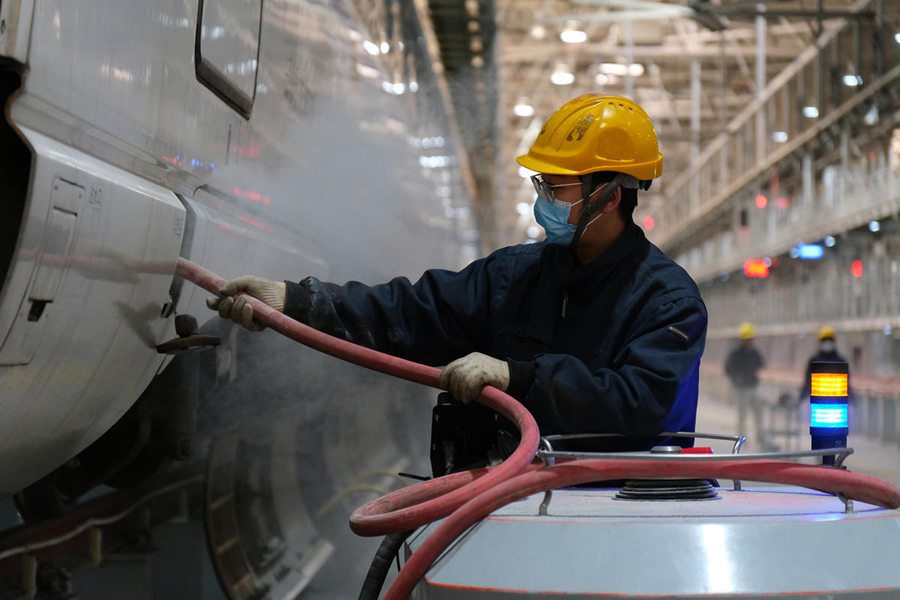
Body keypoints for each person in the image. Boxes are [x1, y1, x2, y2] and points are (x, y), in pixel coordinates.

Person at [208, 94, 708, 451]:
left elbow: (642, 405)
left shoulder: (668, 302)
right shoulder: (515, 275)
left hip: (616, 514)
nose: (544, 202)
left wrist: (521, 378)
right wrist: (297, 301)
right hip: (503, 504)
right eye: (542, 186)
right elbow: (413, 310)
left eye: (557, 189)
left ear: (611, 196)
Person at [724, 322, 768, 447]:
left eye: (751, 339)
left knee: (758, 412)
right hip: (741, 388)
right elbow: (728, 368)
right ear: (743, 339)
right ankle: (742, 439)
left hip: (753, 386)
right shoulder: (736, 353)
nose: (749, 341)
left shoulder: (754, 352)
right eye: (747, 339)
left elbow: (761, 364)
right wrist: (736, 380)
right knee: (742, 416)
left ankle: (760, 436)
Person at [799, 326, 850, 401]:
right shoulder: (814, 361)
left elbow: (847, 384)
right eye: (825, 340)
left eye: (829, 340)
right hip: (817, 402)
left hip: (836, 402)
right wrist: (802, 399)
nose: (827, 343)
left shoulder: (840, 362)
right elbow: (807, 382)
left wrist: (852, 401)